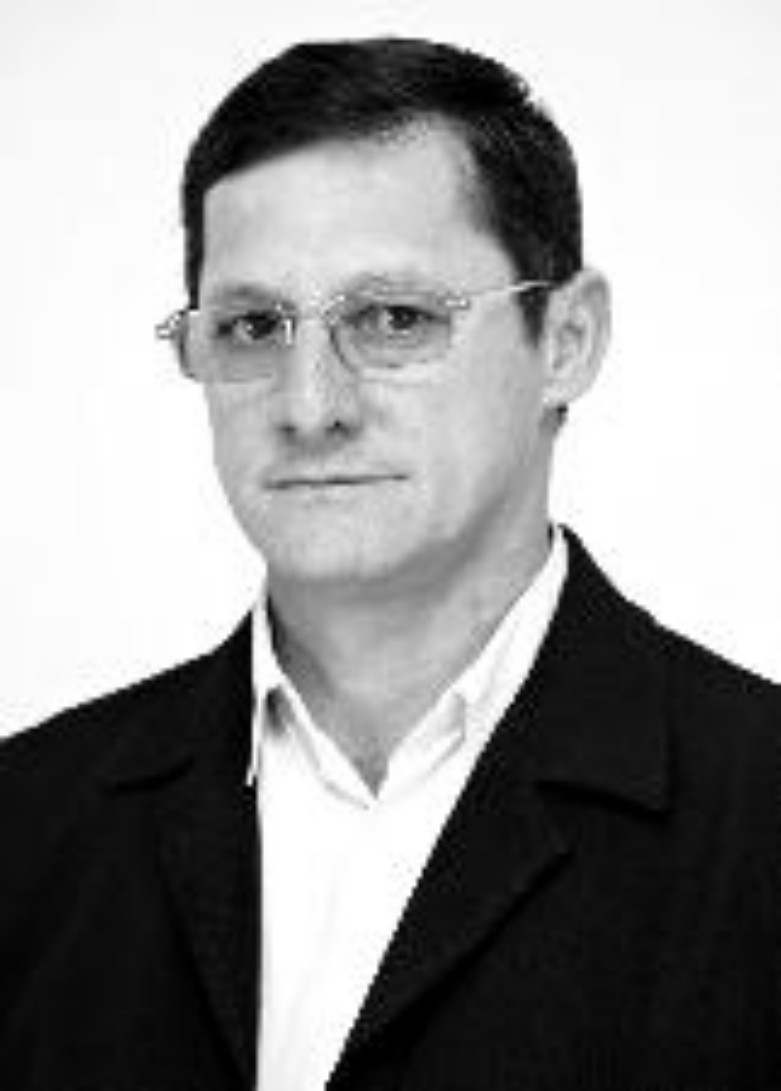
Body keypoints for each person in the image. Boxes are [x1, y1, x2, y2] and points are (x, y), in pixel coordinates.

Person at [0, 35, 779, 1091]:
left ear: (566, 340)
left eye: (395, 318)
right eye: (252, 325)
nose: (309, 405)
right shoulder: (28, 821)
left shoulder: (756, 814)